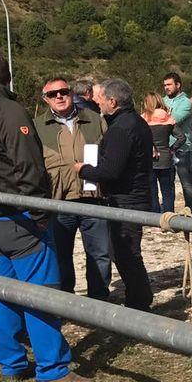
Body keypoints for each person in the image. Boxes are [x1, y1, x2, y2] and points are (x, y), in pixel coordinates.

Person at [0, 50, 86, 382]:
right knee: (40, 291)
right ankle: (53, 369)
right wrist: (39, 211)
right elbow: (30, 166)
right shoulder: (9, 110)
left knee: (3, 292)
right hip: (16, 216)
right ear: (7, 76)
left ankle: (11, 362)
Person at [77, 79, 153, 311]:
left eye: (100, 99)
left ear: (113, 101)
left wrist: (84, 169)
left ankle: (139, 301)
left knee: (126, 252)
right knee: (124, 251)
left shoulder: (121, 128)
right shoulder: (136, 122)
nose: (97, 103)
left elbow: (111, 170)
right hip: (134, 195)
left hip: (126, 199)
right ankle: (138, 297)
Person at [36, 75, 111, 301]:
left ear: (71, 93)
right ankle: (66, 302)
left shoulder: (95, 119)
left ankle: (98, 302)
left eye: (64, 91)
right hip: (59, 203)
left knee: (100, 254)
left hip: (93, 199)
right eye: (52, 94)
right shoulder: (37, 126)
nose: (59, 96)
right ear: (45, 99)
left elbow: (108, 154)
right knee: (61, 256)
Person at [162, 72, 192, 214]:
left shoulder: (186, 103)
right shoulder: (162, 101)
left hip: (181, 149)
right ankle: (168, 214)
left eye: (169, 84)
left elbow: (173, 120)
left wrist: (157, 118)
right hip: (164, 148)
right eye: (165, 85)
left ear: (178, 85)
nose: (166, 87)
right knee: (167, 184)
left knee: (187, 184)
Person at [142, 93, 176, 212]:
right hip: (166, 158)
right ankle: (169, 217)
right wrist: (172, 149)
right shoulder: (168, 118)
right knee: (167, 191)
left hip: (149, 159)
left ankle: (155, 217)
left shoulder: (143, 119)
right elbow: (181, 137)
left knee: (152, 190)